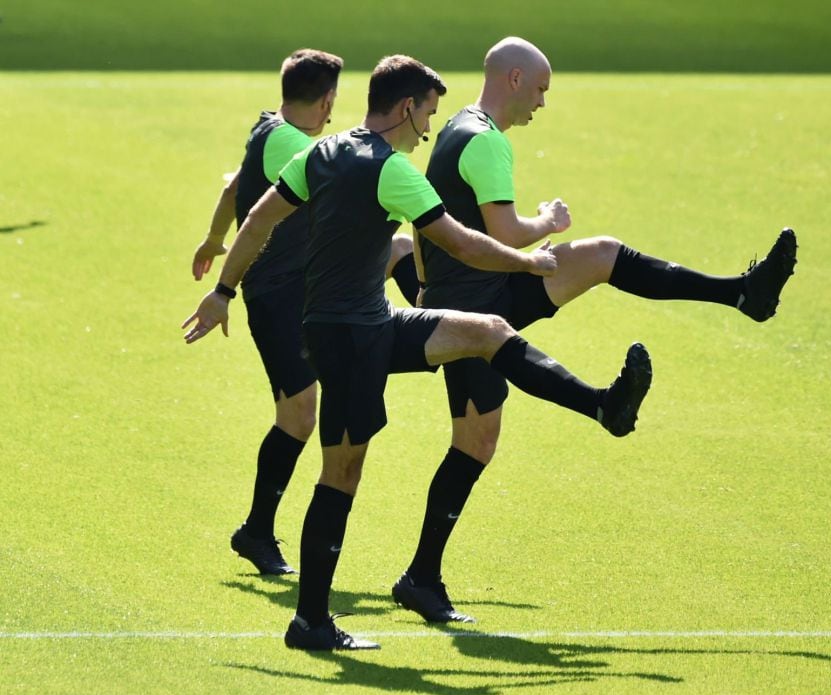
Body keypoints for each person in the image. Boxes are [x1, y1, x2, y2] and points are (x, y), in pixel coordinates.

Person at [182, 54, 653, 651]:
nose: (429, 128)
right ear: (406, 107)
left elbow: (256, 217)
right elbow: (466, 245)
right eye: (428, 113)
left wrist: (225, 291)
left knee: (486, 331)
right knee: (341, 474)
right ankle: (309, 623)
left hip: (357, 325)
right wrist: (529, 259)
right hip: (353, 339)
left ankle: (602, 406)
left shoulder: (318, 154)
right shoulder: (393, 172)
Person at [394, 36, 799, 624]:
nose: (542, 102)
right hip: (472, 305)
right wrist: (547, 222)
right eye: (539, 89)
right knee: (475, 441)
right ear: (513, 80)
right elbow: (505, 234)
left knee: (603, 255)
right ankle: (422, 576)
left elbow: (443, 224)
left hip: (487, 288)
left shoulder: (468, 127)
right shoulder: (484, 143)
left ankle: (741, 294)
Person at [190, 49, 422, 576]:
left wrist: (212, 238)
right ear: (326, 100)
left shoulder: (266, 130)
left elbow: (233, 186)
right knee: (297, 417)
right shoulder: (297, 145)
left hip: (307, 287)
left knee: (401, 250)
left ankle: (436, 322)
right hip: (279, 298)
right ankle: (255, 530)